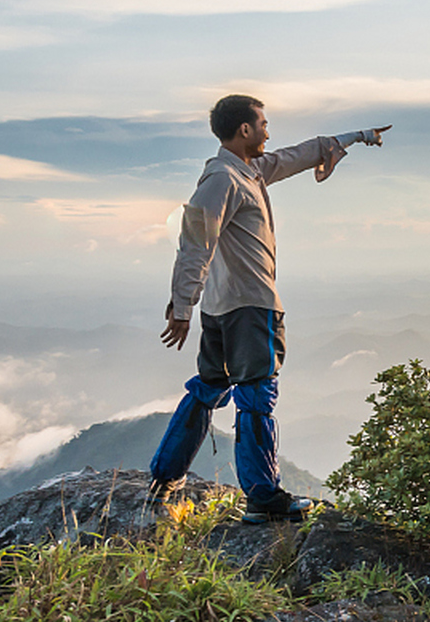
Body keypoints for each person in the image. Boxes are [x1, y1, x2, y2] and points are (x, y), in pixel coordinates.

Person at [148, 93, 391, 523]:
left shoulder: (248, 172)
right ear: (244, 130)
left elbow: (296, 156)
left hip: (224, 308)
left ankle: (165, 476)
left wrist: (356, 137)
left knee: (208, 387)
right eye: (262, 124)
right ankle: (262, 497)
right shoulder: (223, 179)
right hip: (250, 307)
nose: (266, 131)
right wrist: (182, 304)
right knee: (257, 395)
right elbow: (194, 241)